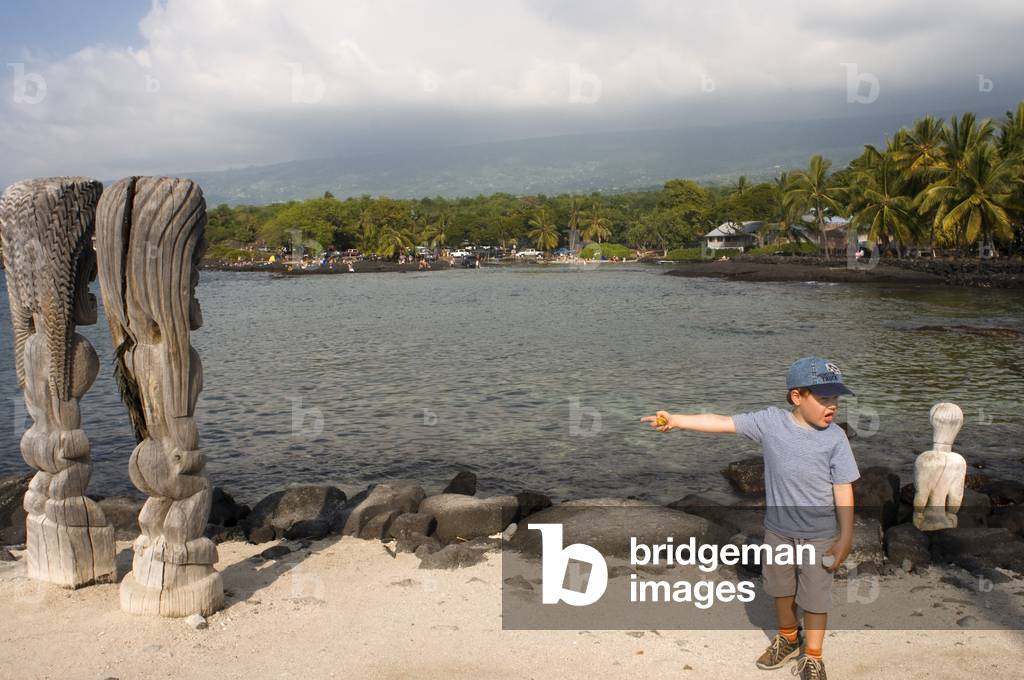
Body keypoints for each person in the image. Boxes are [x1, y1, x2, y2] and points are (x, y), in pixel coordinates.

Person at [641, 357, 859, 680]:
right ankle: (788, 638)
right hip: (778, 531)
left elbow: (843, 488)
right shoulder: (770, 423)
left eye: (835, 399)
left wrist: (846, 537)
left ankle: (813, 655)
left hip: (820, 535)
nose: (832, 406)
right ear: (796, 397)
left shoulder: (835, 438)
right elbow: (722, 422)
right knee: (780, 590)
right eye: (824, 398)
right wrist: (677, 420)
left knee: (815, 599)